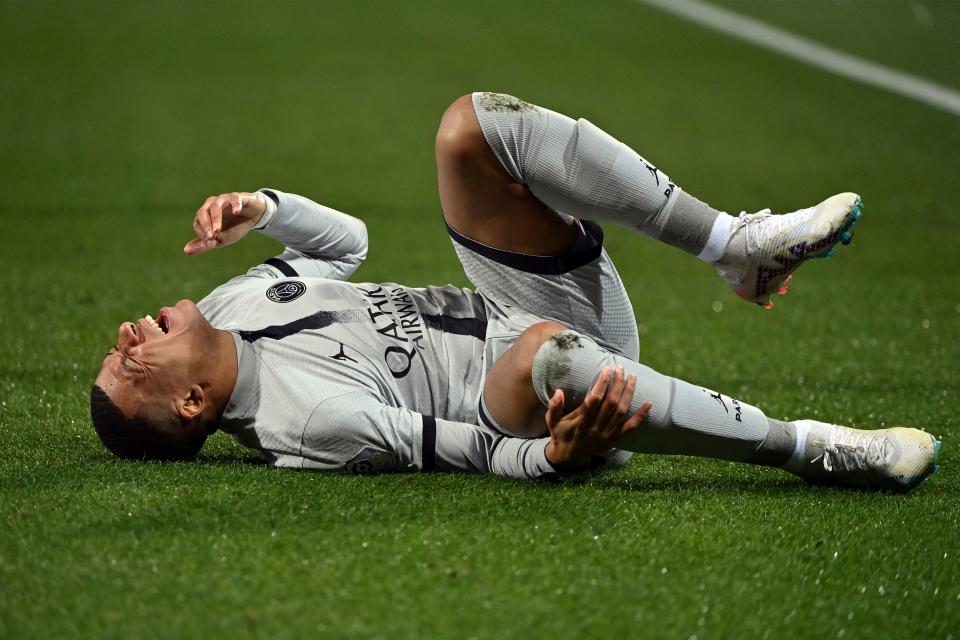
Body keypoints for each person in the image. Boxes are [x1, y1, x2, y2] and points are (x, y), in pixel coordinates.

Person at [90, 92, 940, 491]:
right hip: (530, 396)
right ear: (196, 402)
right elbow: (458, 449)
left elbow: (344, 243)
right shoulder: (304, 420)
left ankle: (734, 247)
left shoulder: (236, 303)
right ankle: (814, 448)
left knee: (467, 129)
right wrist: (555, 458)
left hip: (528, 302)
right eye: (130, 370)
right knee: (547, 356)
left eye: (116, 352)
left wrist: (265, 210)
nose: (125, 341)